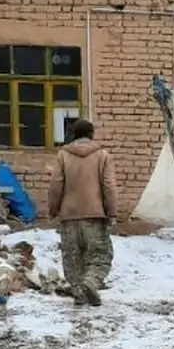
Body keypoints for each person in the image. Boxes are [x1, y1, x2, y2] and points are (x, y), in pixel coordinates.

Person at [47, 117, 118, 306]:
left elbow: (55, 185)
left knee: (72, 258)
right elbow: (109, 186)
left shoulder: (63, 155)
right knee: (101, 256)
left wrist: (53, 209)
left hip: (69, 216)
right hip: (95, 216)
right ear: (91, 134)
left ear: (73, 134)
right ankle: (91, 283)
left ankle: (79, 292)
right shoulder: (103, 155)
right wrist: (111, 212)